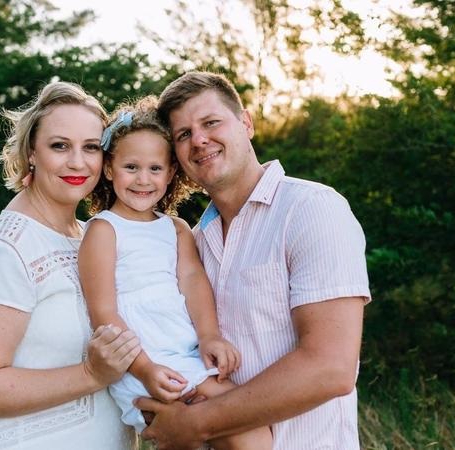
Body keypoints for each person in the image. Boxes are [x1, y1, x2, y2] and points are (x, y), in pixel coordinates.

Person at [136, 71, 372, 449]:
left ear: (246, 123)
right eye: (183, 135)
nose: (199, 140)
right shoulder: (191, 245)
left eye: (211, 122)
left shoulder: (311, 209)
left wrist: (195, 424)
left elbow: (330, 368)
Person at [0, 81, 143, 450]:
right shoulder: (6, 249)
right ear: (31, 153)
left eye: (91, 147)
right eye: (60, 146)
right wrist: (90, 374)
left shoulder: (94, 236)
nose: (77, 162)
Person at [78, 96, 273, 450]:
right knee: (248, 436)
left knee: (244, 432)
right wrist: (145, 369)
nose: (143, 179)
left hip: (184, 353)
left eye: (155, 169)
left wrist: (211, 336)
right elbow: (103, 315)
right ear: (109, 169)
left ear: (171, 173)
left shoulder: (177, 229)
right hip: (143, 362)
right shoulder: (104, 230)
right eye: (131, 167)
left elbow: (194, 284)